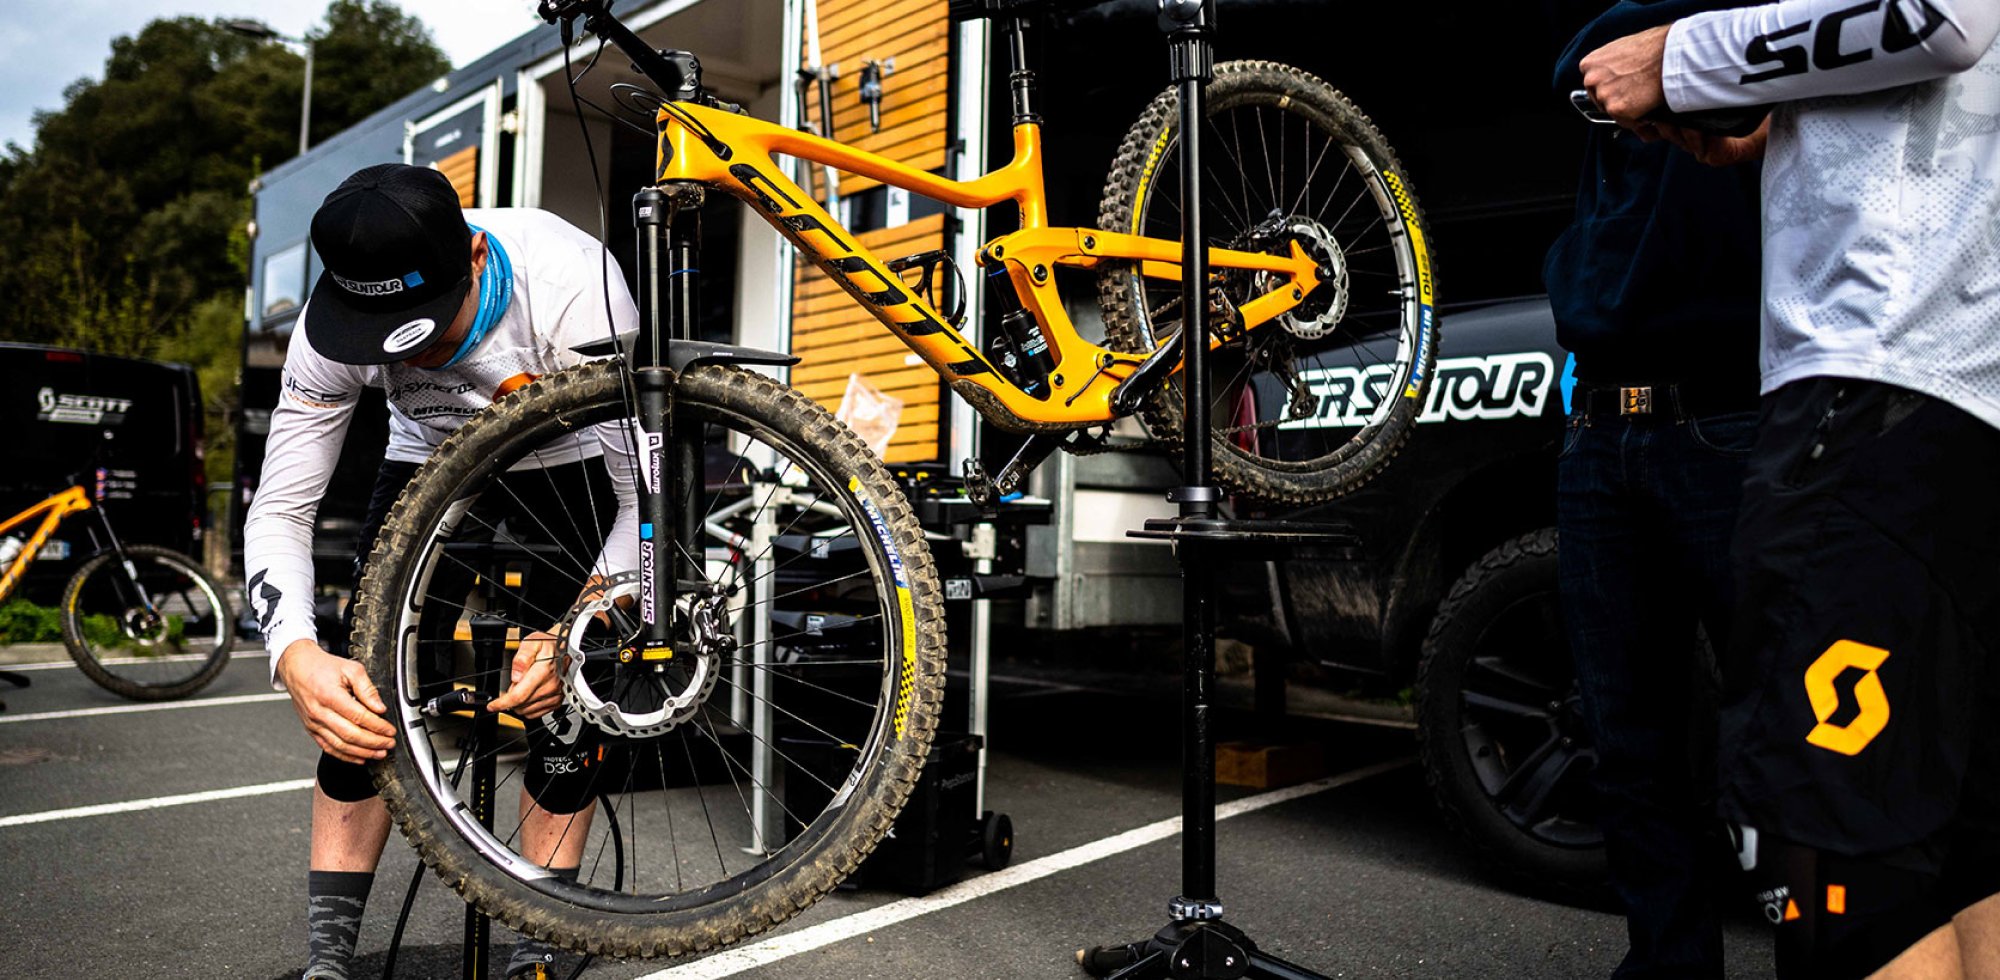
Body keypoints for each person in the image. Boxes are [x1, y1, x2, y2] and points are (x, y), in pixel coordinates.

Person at [1579, 3, 2000, 977]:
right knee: (1964, 850)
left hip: (1878, 377)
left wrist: (1680, 58)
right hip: (1954, 392)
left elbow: (1937, 15)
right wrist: (1772, 99)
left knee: (1832, 872)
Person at [243, 163, 639, 980]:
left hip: (569, 461)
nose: (418, 359)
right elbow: (281, 510)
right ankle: (328, 957)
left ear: (476, 262)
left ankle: (543, 930)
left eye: (430, 330)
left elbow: (652, 508)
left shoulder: (575, 284)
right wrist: (295, 655)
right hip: (427, 460)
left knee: (567, 693)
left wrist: (575, 632)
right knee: (365, 691)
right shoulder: (324, 331)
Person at [1546, 3, 1766, 975]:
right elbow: (1577, 62)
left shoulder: (1767, 30)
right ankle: (1667, 966)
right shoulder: (1624, 37)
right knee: (1627, 744)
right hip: (1598, 426)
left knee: (1780, 734)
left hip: (1722, 418)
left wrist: (1679, 57)